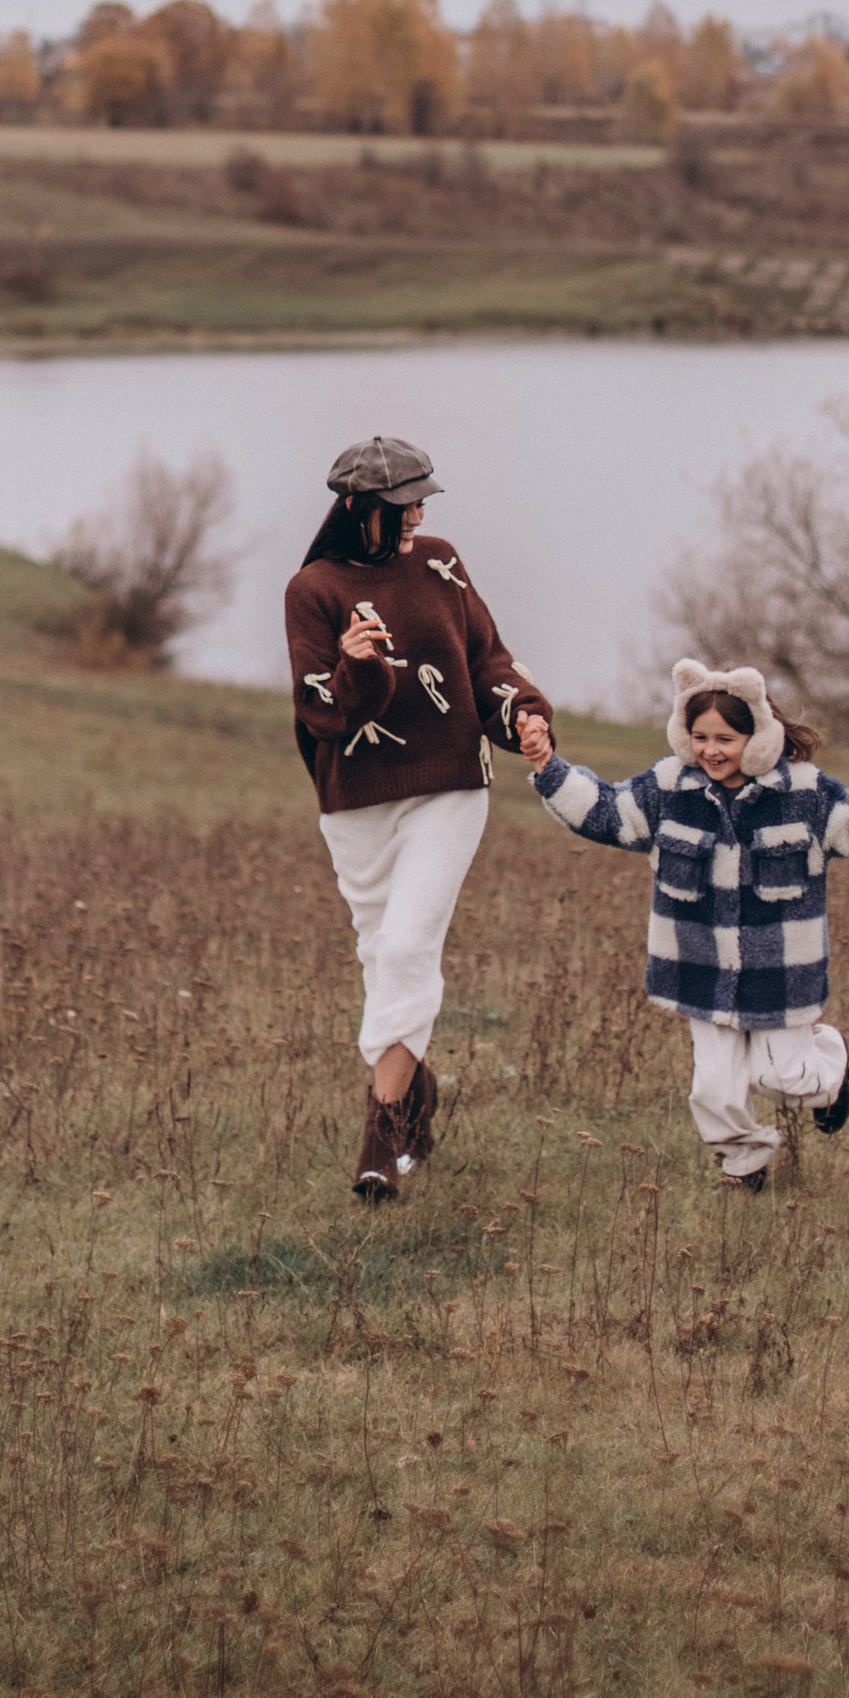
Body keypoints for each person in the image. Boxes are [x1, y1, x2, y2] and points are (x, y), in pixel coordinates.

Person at [517, 660, 849, 1193]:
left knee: (783, 1078)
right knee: (713, 1087)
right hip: (699, 968)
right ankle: (744, 1168)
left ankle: (832, 1067)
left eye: (726, 738)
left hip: (780, 973)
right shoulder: (668, 789)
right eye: (700, 737)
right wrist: (549, 767)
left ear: (758, 738)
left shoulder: (803, 794)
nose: (712, 750)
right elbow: (605, 810)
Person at [284, 433, 552, 1203]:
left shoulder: (440, 561)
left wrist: (524, 718)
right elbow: (319, 708)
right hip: (356, 803)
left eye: (422, 502)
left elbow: (486, 660)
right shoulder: (315, 590)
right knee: (382, 958)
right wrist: (357, 667)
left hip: (448, 786)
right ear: (356, 508)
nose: (417, 516)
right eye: (403, 505)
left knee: (405, 948)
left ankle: (379, 1138)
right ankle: (416, 1093)